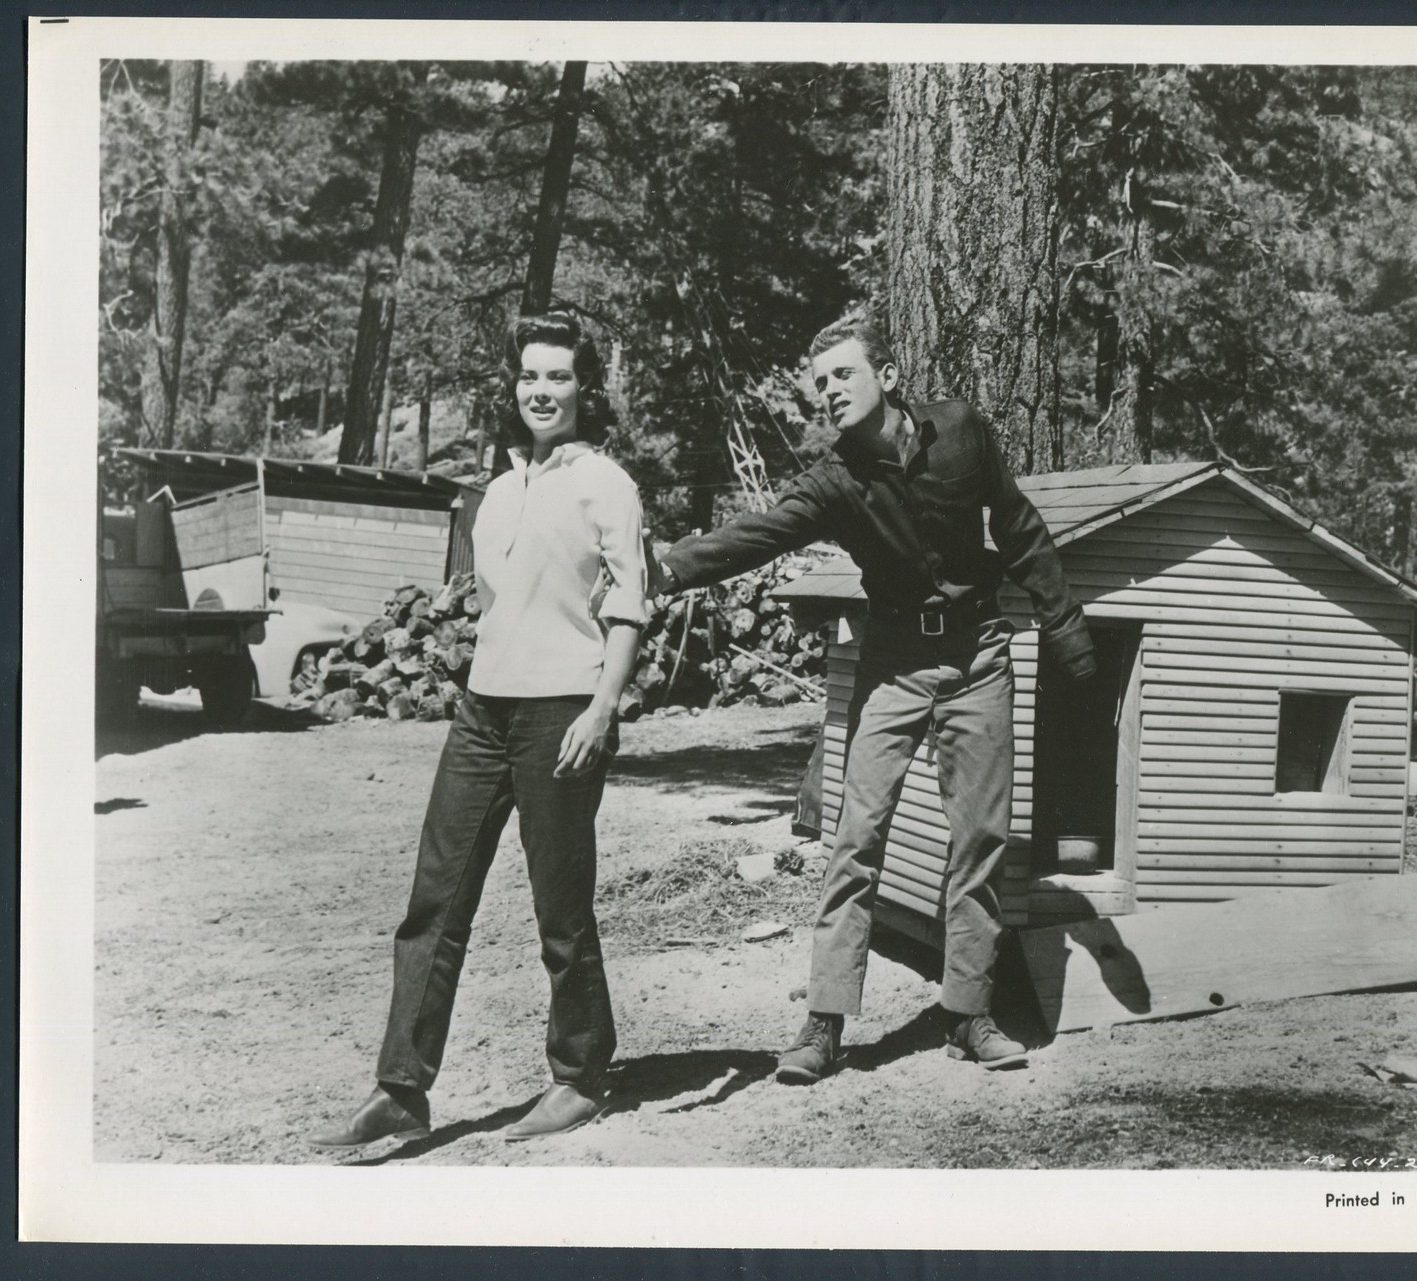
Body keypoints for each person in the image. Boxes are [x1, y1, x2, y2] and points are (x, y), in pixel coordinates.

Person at [653, 317, 1095, 1084]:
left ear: (886, 374)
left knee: (982, 836)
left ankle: (968, 1013)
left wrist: (1068, 632)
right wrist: (666, 567)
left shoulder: (960, 430)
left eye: (842, 374)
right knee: (856, 836)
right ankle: (823, 1024)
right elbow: (758, 534)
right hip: (892, 659)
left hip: (980, 652)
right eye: (819, 382)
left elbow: (1020, 529)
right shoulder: (833, 482)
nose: (828, 391)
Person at [306, 313, 648, 1149]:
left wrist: (602, 709)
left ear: (584, 387)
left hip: (563, 711)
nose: (542, 390)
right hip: (483, 710)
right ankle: (401, 1086)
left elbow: (631, 604)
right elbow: (499, 604)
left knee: (559, 905)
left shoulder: (607, 481)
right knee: (435, 897)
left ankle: (579, 1073)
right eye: (531, 376)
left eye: (559, 376)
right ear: (515, 385)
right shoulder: (497, 490)